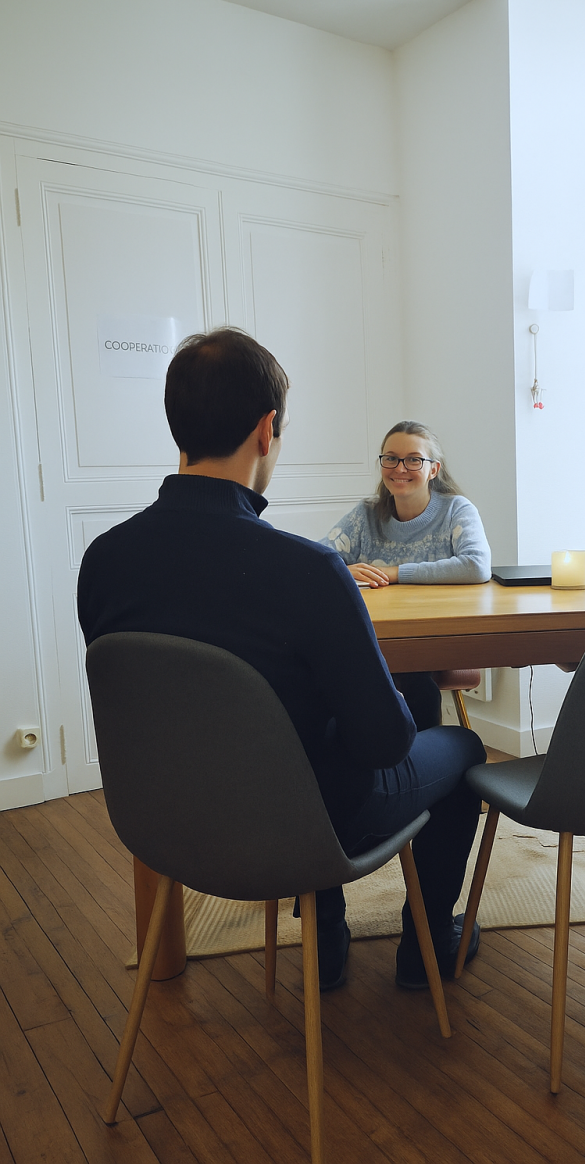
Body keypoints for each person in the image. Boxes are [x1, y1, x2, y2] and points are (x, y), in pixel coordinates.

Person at [77, 328, 484, 992]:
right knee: (461, 748)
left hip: (164, 820)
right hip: (303, 824)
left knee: (313, 739)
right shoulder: (307, 571)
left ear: (176, 423)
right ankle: (426, 950)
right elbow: (385, 744)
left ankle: (327, 936)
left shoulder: (103, 561)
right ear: (267, 431)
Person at [322, 421, 492, 729]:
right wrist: (342, 569)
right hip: (376, 638)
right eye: (391, 458)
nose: (400, 468)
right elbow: (316, 558)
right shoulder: (366, 514)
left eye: (414, 459)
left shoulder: (456, 509)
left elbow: (476, 565)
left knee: (409, 674)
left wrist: (395, 573)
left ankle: (419, 749)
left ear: (433, 469)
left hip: (436, 636)